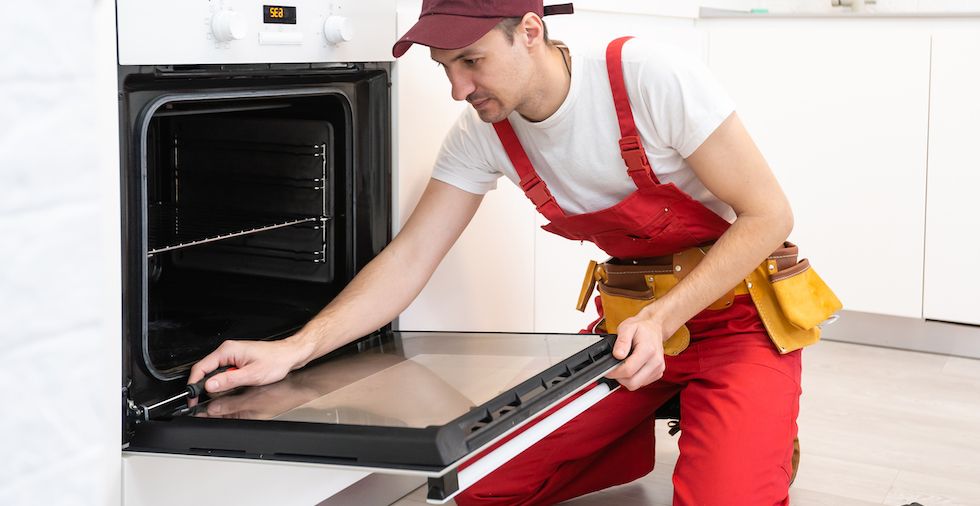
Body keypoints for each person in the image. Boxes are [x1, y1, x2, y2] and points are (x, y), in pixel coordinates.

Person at [190, 0, 812, 504]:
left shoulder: (646, 76)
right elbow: (410, 258)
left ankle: (753, 434)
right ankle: (664, 421)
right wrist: (294, 349)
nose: (460, 88)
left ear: (531, 32)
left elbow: (768, 214)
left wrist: (662, 318)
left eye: (472, 61)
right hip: (632, 333)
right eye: (445, 67)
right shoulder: (483, 135)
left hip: (740, 319)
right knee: (478, 487)